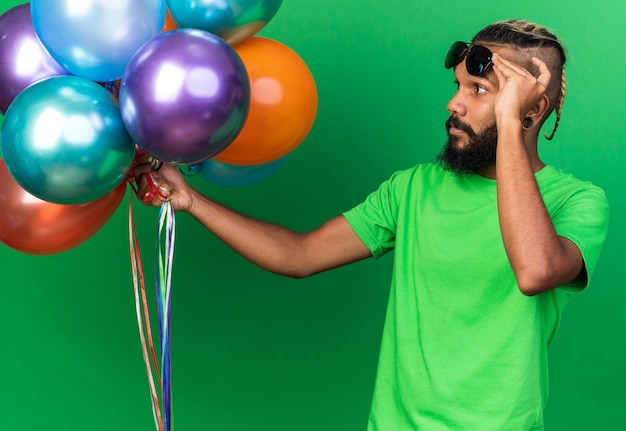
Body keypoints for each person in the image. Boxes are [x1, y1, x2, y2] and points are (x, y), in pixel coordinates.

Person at [133, 19, 609, 431]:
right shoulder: (414, 188)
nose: (453, 105)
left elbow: (535, 271)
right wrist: (191, 200)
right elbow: (300, 255)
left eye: (478, 91)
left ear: (533, 109)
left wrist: (508, 122)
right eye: (458, 87)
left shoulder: (576, 201)